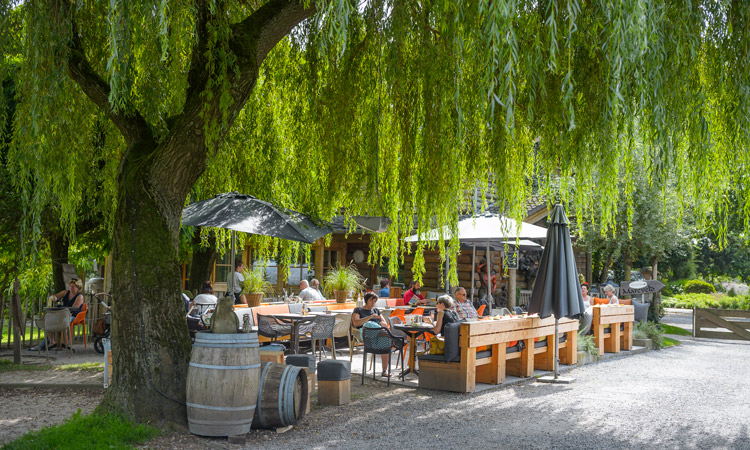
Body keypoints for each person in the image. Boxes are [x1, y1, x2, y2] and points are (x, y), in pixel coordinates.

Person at [352, 292, 391, 376]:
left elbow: (385, 325)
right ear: (366, 300)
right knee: (368, 324)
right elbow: (356, 323)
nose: (373, 303)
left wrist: (379, 320)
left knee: (385, 341)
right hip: (365, 335)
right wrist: (369, 317)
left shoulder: (376, 311)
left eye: (375, 301)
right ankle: (391, 338)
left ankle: (384, 370)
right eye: (371, 301)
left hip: (378, 335)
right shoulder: (358, 310)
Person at [39, 278, 85, 349]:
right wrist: (53, 297)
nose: (71, 288)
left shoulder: (80, 296)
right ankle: (52, 342)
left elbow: (73, 308)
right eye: (70, 286)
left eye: (73, 287)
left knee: (64, 321)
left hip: (73, 315)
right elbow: (56, 296)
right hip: (61, 314)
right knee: (48, 319)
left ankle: (63, 343)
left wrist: (61, 311)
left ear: (78, 288)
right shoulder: (66, 292)